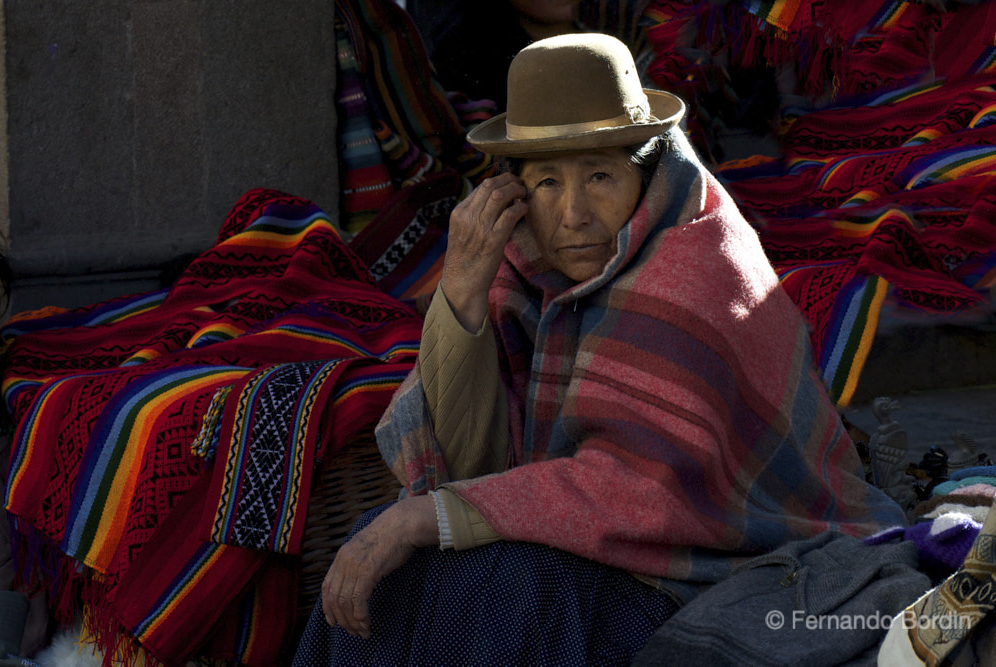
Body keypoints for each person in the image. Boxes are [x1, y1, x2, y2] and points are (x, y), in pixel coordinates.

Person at [293, 33, 906, 665]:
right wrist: (462, 297)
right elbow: (466, 461)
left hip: (709, 567)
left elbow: (644, 494)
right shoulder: (523, 265)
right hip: (575, 541)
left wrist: (431, 517)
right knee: (399, 570)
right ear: (514, 194)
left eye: (602, 175)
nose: (575, 213)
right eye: (548, 182)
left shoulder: (695, 264)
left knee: (510, 590)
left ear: (649, 172)